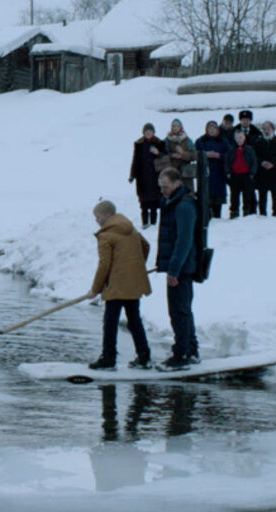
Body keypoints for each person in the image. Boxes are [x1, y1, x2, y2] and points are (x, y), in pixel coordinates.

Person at [86, 200, 153, 370]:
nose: (97, 220)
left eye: (98, 216)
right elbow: (146, 246)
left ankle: (108, 358)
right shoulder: (130, 229)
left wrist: (95, 288)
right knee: (134, 320)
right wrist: (136, 267)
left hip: (116, 284)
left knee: (110, 321)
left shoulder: (106, 235)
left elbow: (104, 265)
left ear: (108, 215)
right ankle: (144, 356)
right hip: (133, 282)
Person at [156, 168, 199, 369]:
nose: (162, 191)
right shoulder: (173, 202)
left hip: (181, 267)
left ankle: (182, 354)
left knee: (179, 311)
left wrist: (173, 270)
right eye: (161, 187)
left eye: (165, 187)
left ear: (176, 183)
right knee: (183, 309)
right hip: (178, 265)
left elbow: (184, 240)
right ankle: (190, 349)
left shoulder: (184, 205)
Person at [128, 123, 166, 228]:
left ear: (153, 133)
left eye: (150, 132)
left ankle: (153, 223)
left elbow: (165, 158)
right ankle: (145, 222)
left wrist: (158, 153)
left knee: (154, 202)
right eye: (146, 132)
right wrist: (132, 175)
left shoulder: (159, 143)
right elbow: (135, 161)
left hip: (155, 177)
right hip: (142, 178)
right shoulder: (139, 144)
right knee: (144, 202)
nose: (148, 134)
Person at [193, 121, 229, 219]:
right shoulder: (200, 141)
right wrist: (205, 154)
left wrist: (219, 156)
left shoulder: (223, 141)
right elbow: (194, 154)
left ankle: (217, 215)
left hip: (219, 172)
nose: (212, 130)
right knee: (205, 196)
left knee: (218, 198)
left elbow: (229, 155)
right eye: (210, 128)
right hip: (205, 171)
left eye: (214, 128)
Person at [224, 129, 259, 218]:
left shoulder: (249, 149)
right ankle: (234, 211)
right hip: (235, 175)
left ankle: (246, 210)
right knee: (234, 195)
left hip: (246, 175)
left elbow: (254, 161)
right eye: (237, 138)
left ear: (244, 138)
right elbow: (227, 161)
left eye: (241, 137)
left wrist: (252, 173)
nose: (239, 140)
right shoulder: (231, 149)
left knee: (247, 194)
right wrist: (228, 172)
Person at [254, 121, 276, 217]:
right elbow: (255, 155)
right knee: (262, 196)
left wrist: (273, 163)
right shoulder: (258, 142)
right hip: (262, 173)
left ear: (273, 129)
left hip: (275, 172)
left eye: (268, 128)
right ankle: (262, 214)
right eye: (264, 129)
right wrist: (262, 162)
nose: (266, 131)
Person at [164, 119, 197, 191]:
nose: (175, 128)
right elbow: (162, 155)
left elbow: (194, 155)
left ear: (181, 127)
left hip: (186, 174)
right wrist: (172, 155)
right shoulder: (166, 141)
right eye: (173, 126)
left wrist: (183, 154)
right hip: (172, 174)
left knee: (187, 197)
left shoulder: (188, 140)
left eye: (177, 126)